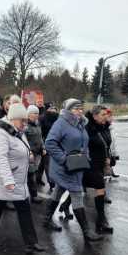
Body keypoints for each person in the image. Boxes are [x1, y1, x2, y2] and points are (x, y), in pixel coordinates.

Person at [0, 103, 45, 254]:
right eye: (22, 120)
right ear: (12, 119)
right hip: (3, 181)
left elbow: (22, 148)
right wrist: (8, 180)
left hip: (18, 180)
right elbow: (1, 159)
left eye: (26, 120)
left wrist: (29, 155)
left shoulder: (18, 132)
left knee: (25, 210)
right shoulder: (0, 134)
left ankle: (31, 243)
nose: (25, 124)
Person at [44, 98, 102, 242]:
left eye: (81, 108)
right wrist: (64, 159)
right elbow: (50, 143)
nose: (80, 111)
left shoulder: (81, 124)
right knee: (77, 194)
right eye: (76, 109)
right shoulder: (61, 123)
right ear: (68, 110)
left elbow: (85, 142)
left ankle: (46, 219)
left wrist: (86, 156)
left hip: (77, 166)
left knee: (58, 191)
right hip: (64, 167)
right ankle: (87, 232)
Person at [82, 105, 113, 234]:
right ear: (94, 116)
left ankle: (64, 205)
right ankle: (101, 220)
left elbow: (107, 145)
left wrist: (109, 158)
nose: (106, 117)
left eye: (106, 114)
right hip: (90, 164)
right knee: (100, 187)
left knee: (80, 187)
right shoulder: (87, 128)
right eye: (102, 115)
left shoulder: (105, 127)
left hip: (101, 163)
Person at [25, 105, 45, 203]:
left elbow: (40, 137)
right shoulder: (25, 125)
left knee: (31, 174)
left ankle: (31, 195)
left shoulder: (37, 124)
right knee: (30, 175)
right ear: (28, 114)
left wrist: (43, 147)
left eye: (37, 113)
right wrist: (29, 152)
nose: (36, 115)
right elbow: (23, 140)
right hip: (28, 155)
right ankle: (33, 196)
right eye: (34, 113)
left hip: (37, 154)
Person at [37, 104, 59, 191]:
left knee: (43, 162)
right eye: (51, 108)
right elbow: (39, 131)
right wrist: (42, 144)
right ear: (47, 109)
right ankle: (52, 183)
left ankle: (38, 178)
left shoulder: (58, 118)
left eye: (54, 108)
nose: (53, 110)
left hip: (55, 143)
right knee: (48, 163)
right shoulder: (42, 118)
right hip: (45, 142)